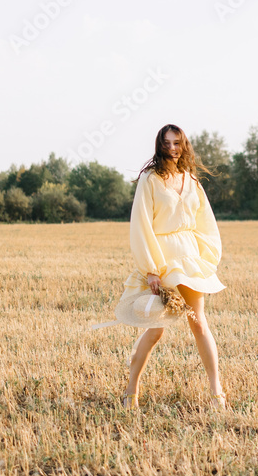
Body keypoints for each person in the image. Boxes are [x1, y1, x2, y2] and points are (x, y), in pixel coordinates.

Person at [90, 124, 227, 411]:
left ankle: (217, 393)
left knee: (198, 322)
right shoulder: (150, 180)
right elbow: (141, 224)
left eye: (178, 143)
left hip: (188, 259)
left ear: (184, 145)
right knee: (156, 330)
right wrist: (151, 268)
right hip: (162, 259)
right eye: (167, 143)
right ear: (160, 145)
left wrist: (205, 256)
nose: (173, 148)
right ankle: (131, 390)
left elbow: (205, 223)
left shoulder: (192, 181)